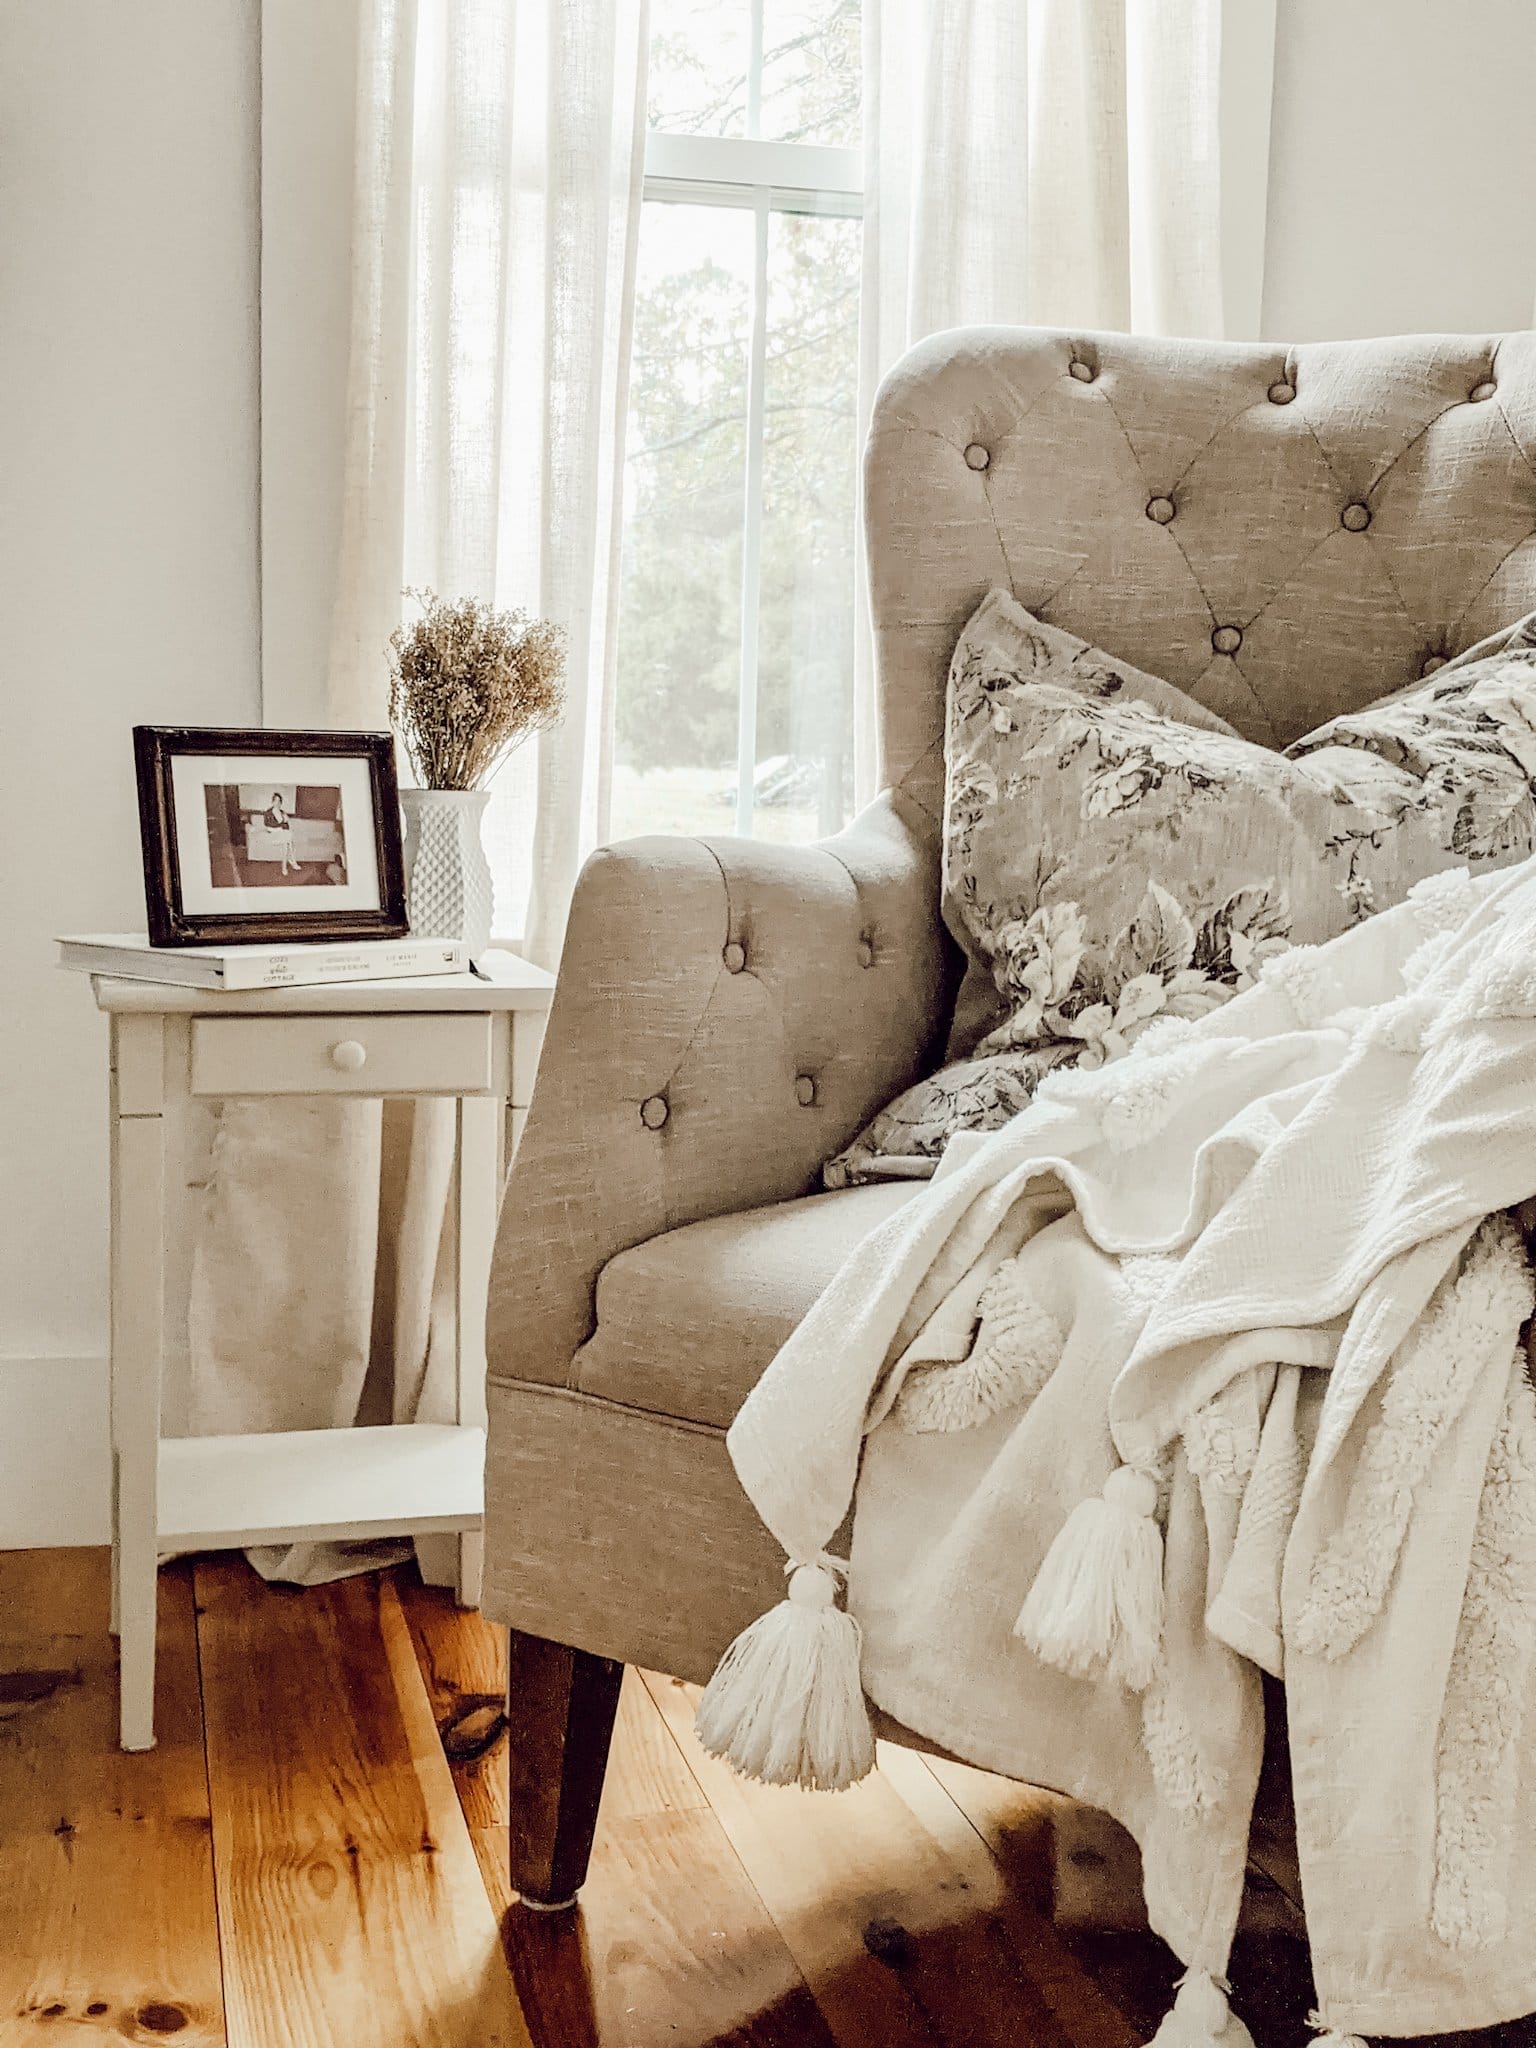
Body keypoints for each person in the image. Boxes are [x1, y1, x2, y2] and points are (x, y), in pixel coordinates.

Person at [263, 793, 298, 876]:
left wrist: (283, 824)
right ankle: (292, 862)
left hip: (282, 835)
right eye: (276, 801)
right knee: (288, 840)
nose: (278, 803)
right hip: (273, 835)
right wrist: (280, 828)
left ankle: (285, 866)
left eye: (279, 801)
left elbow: (287, 825)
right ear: (272, 802)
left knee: (287, 842)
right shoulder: (268, 812)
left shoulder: (282, 812)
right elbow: (268, 826)